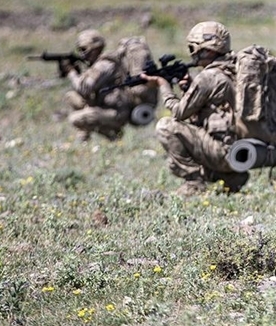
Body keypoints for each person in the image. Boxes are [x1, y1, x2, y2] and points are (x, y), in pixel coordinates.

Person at [142, 21, 248, 196]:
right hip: (244, 152)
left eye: (194, 48)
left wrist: (163, 85)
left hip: (224, 152)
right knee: (175, 160)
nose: (192, 54)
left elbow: (178, 113)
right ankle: (231, 178)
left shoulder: (208, 76)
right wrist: (188, 88)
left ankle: (194, 183)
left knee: (166, 126)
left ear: (207, 49)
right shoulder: (234, 68)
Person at [63, 30, 156, 142]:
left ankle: (113, 133)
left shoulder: (105, 64)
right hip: (105, 106)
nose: (82, 54)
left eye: (84, 49)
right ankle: (83, 137)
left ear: (95, 48)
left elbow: (84, 88)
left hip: (117, 112)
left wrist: (71, 72)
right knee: (72, 97)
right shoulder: (99, 64)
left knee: (75, 119)